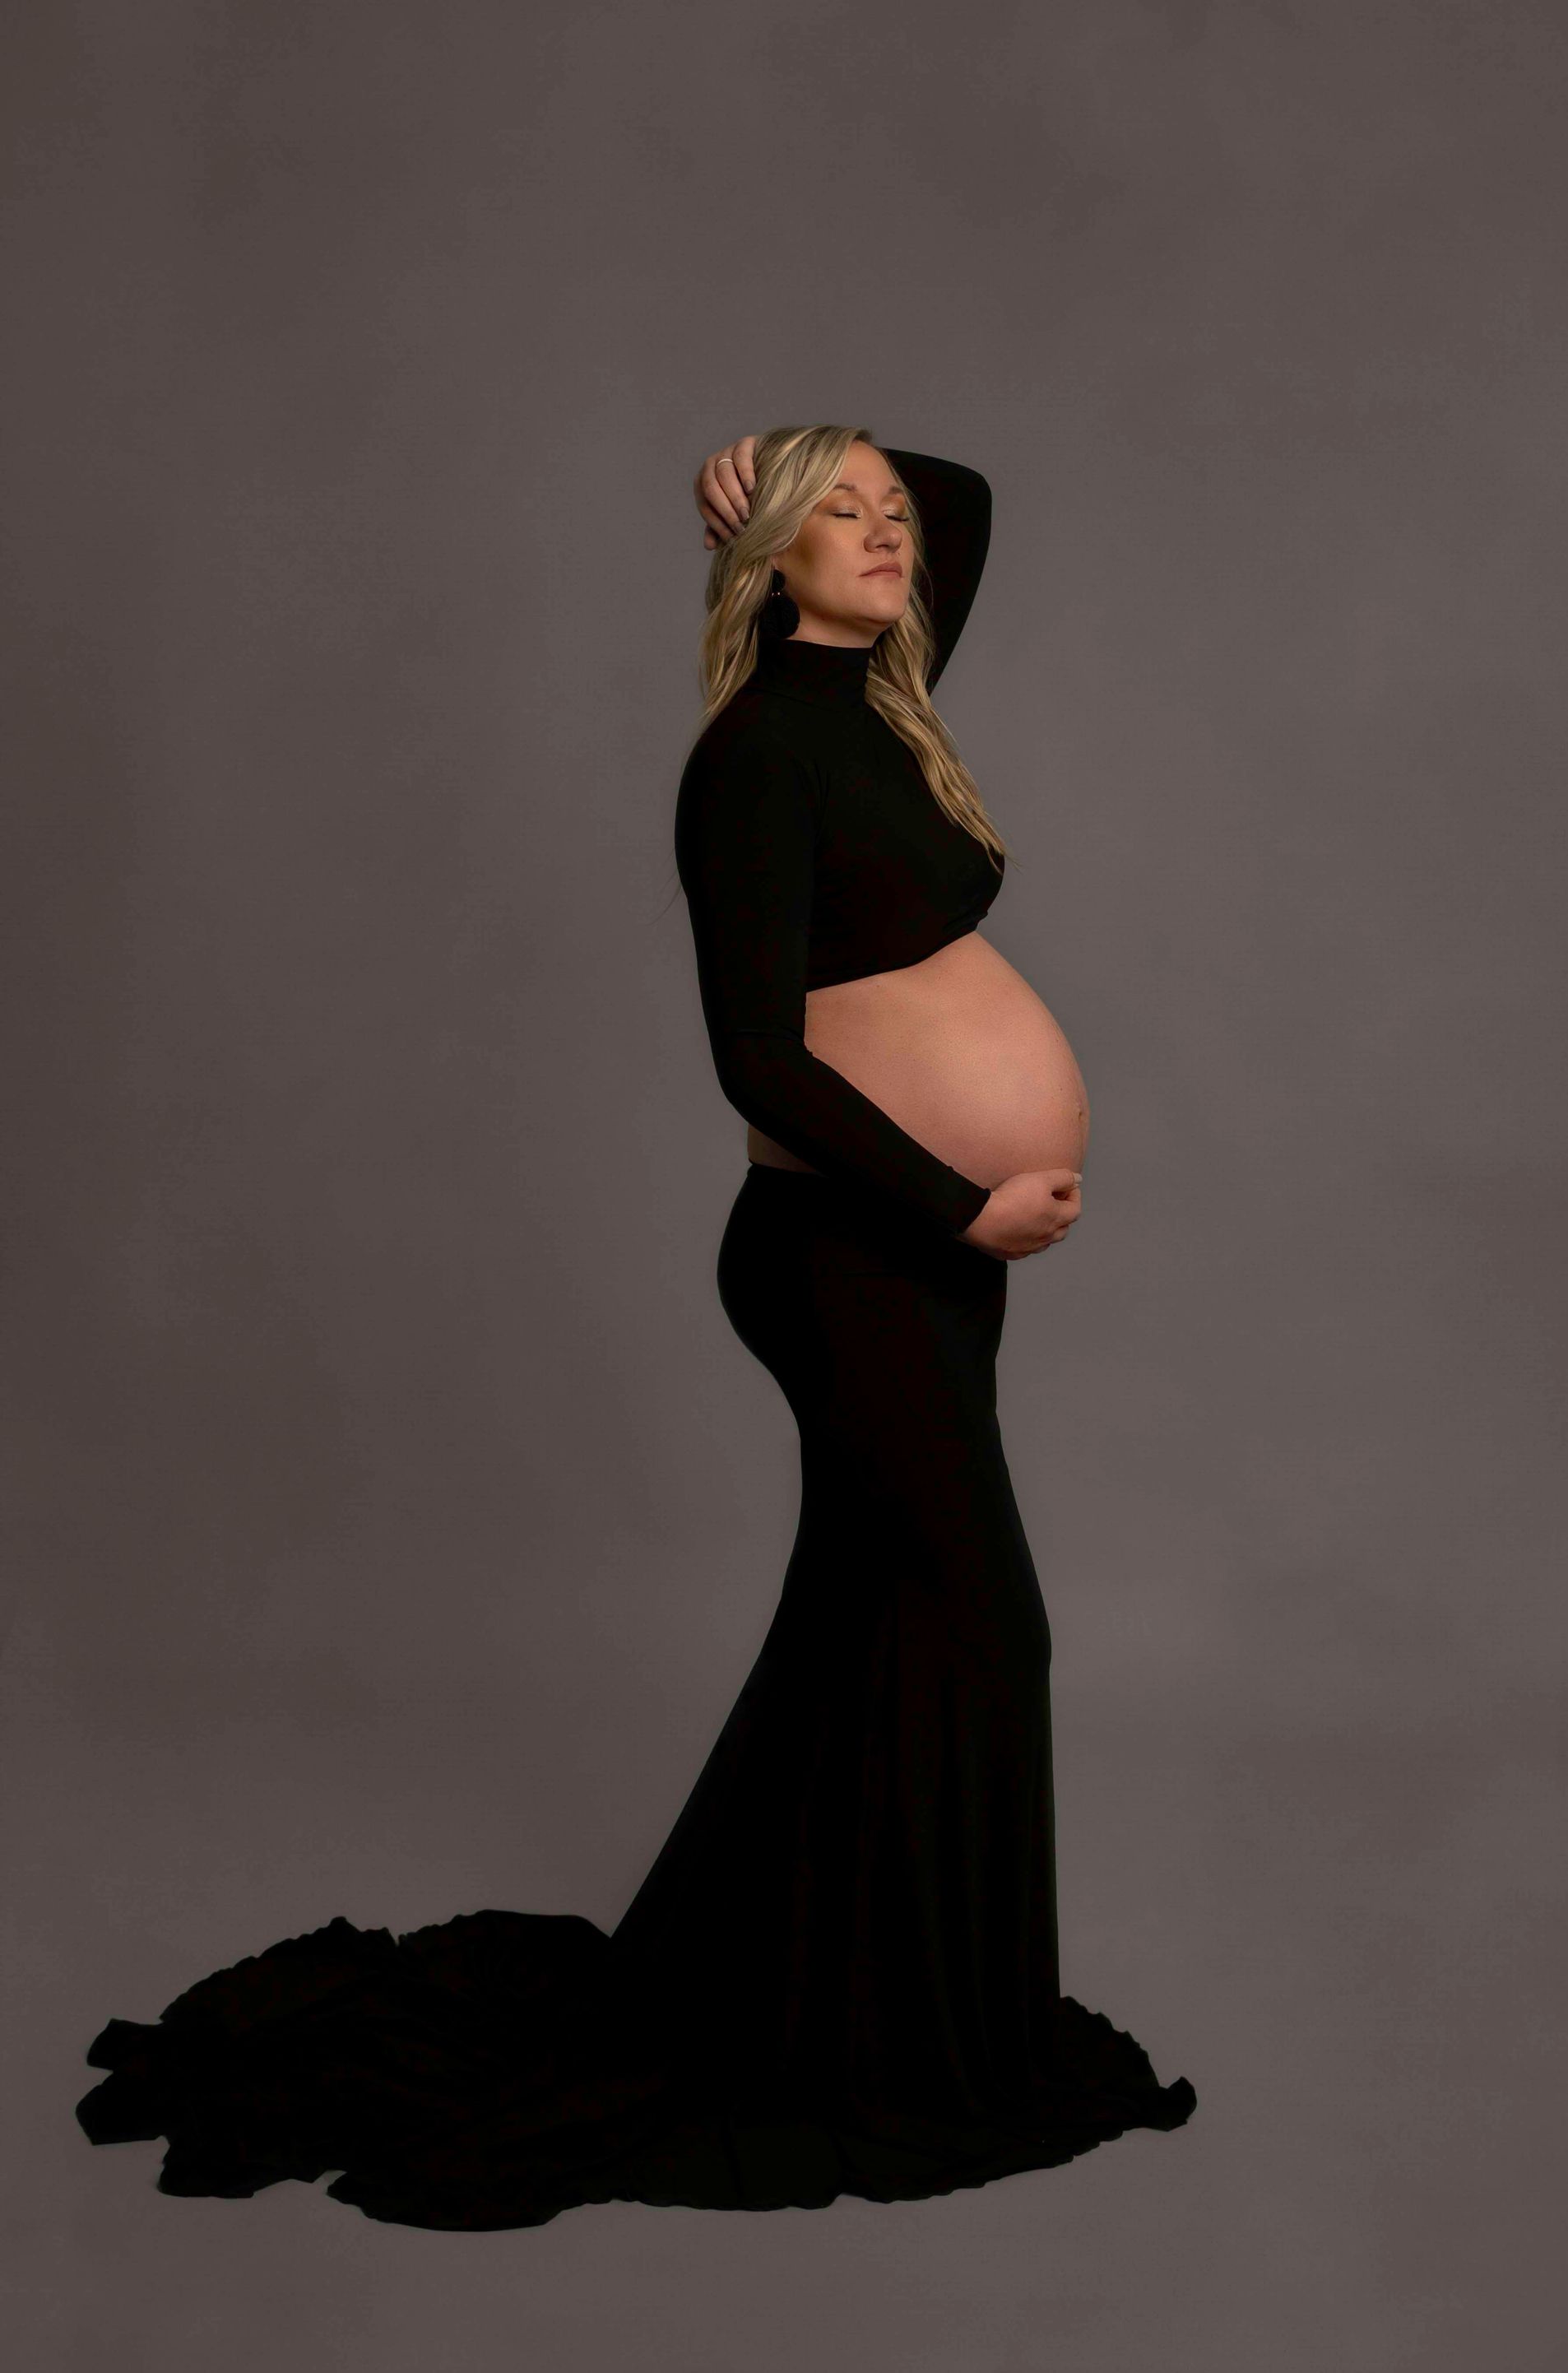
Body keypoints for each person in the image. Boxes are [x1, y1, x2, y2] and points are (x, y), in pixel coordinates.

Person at [73, 427, 1195, 2232]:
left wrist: (848, 469)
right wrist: (957, 1200)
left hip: (931, 1256)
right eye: (839, 511)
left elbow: (966, 494)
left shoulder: (884, 715)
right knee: (985, 1615)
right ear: (763, 556)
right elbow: (755, 1056)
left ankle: (850, 2014)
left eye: (885, 514)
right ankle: (919, 2048)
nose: (889, 531)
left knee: (874, 1624)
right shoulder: (755, 759)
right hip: (847, 1248)